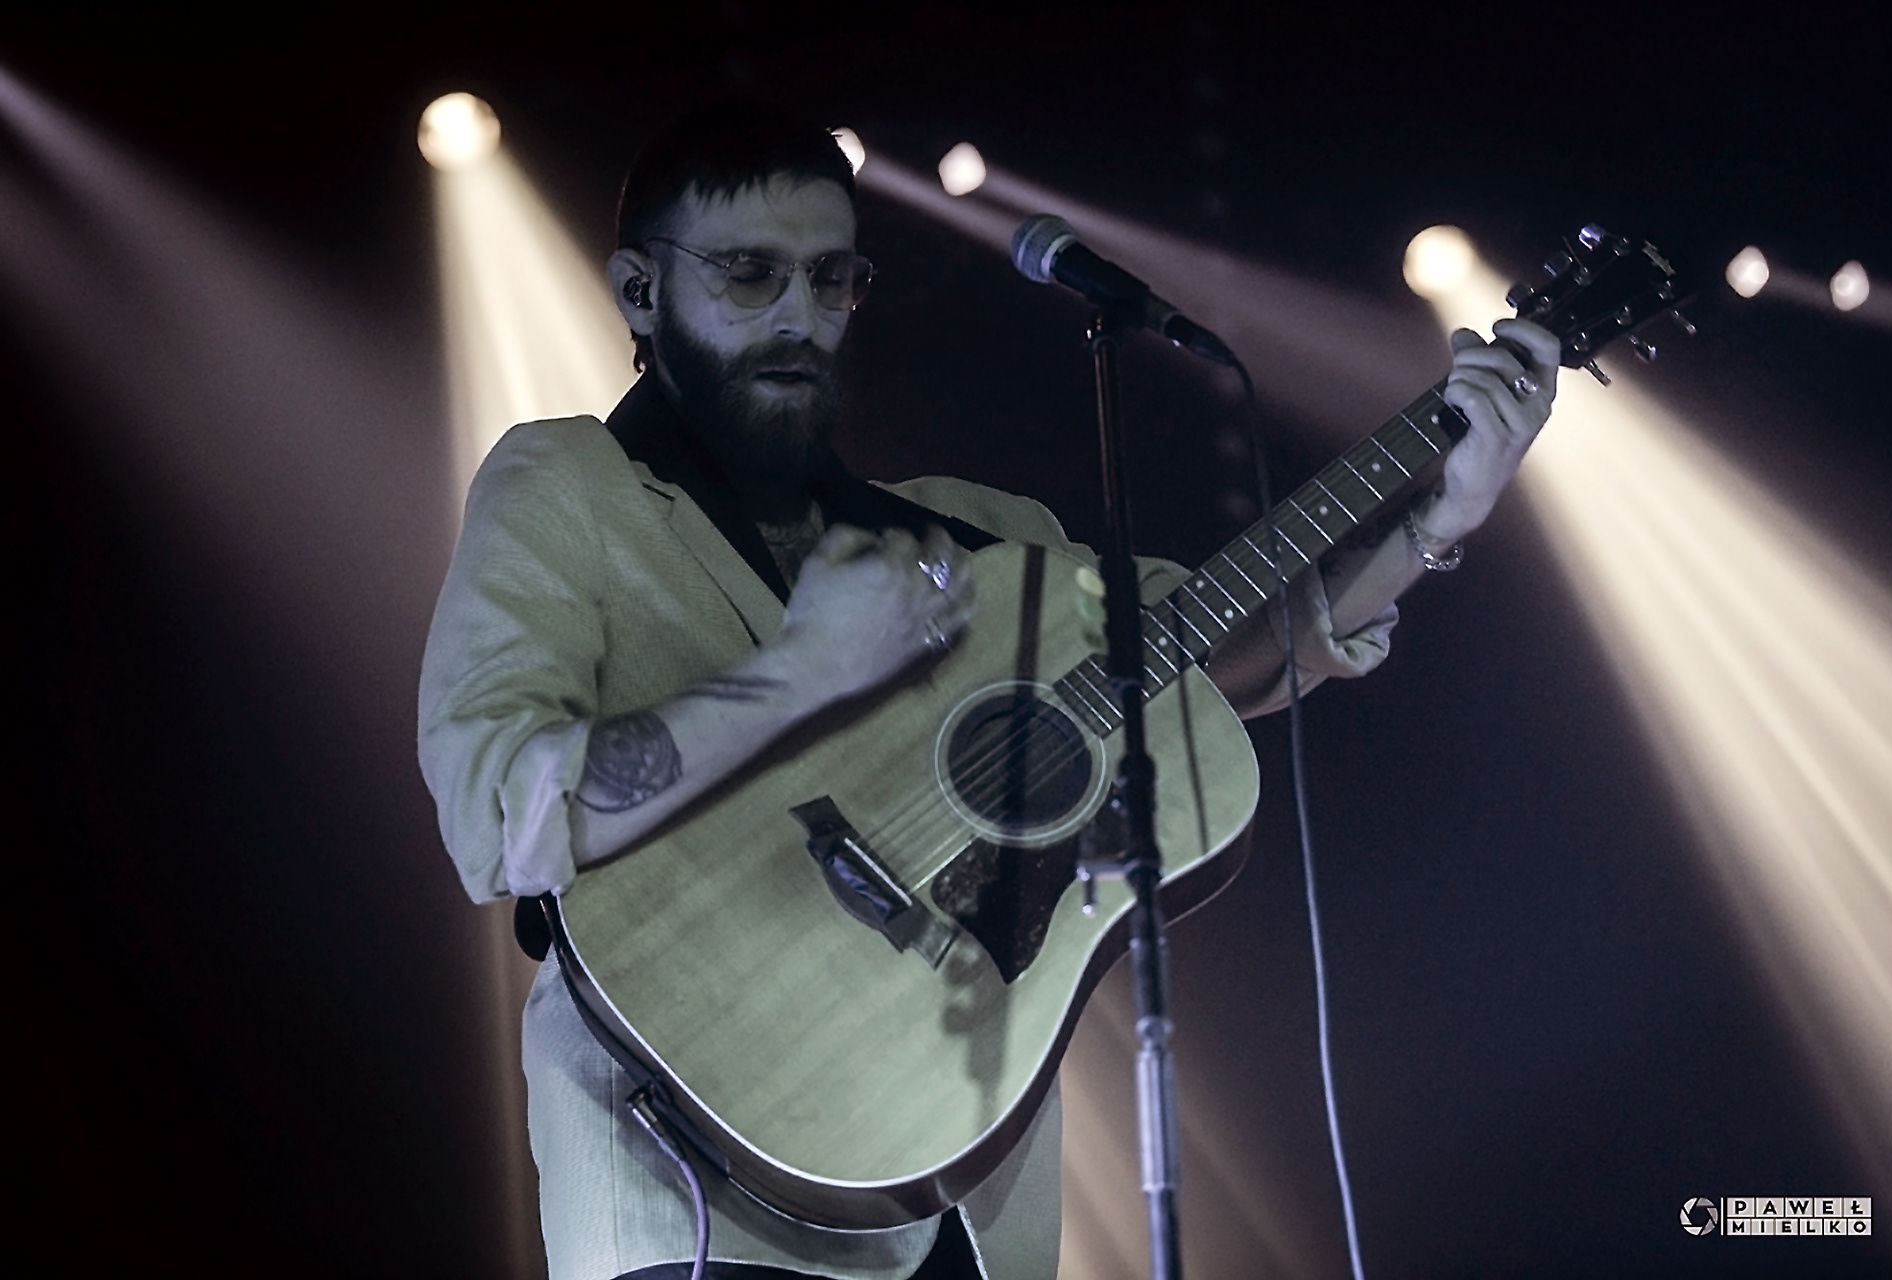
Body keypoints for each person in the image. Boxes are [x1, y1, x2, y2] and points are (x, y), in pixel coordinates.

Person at [417, 103, 1558, 1280]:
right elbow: (497, 809)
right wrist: (802, 671)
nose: (800, 315)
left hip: (969, 1195)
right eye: (750, 274)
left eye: (831, 278)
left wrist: (1439, 516)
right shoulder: (570, 485)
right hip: (696, 1195)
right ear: (640, 290)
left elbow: (1220, 640)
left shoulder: (978, 537)